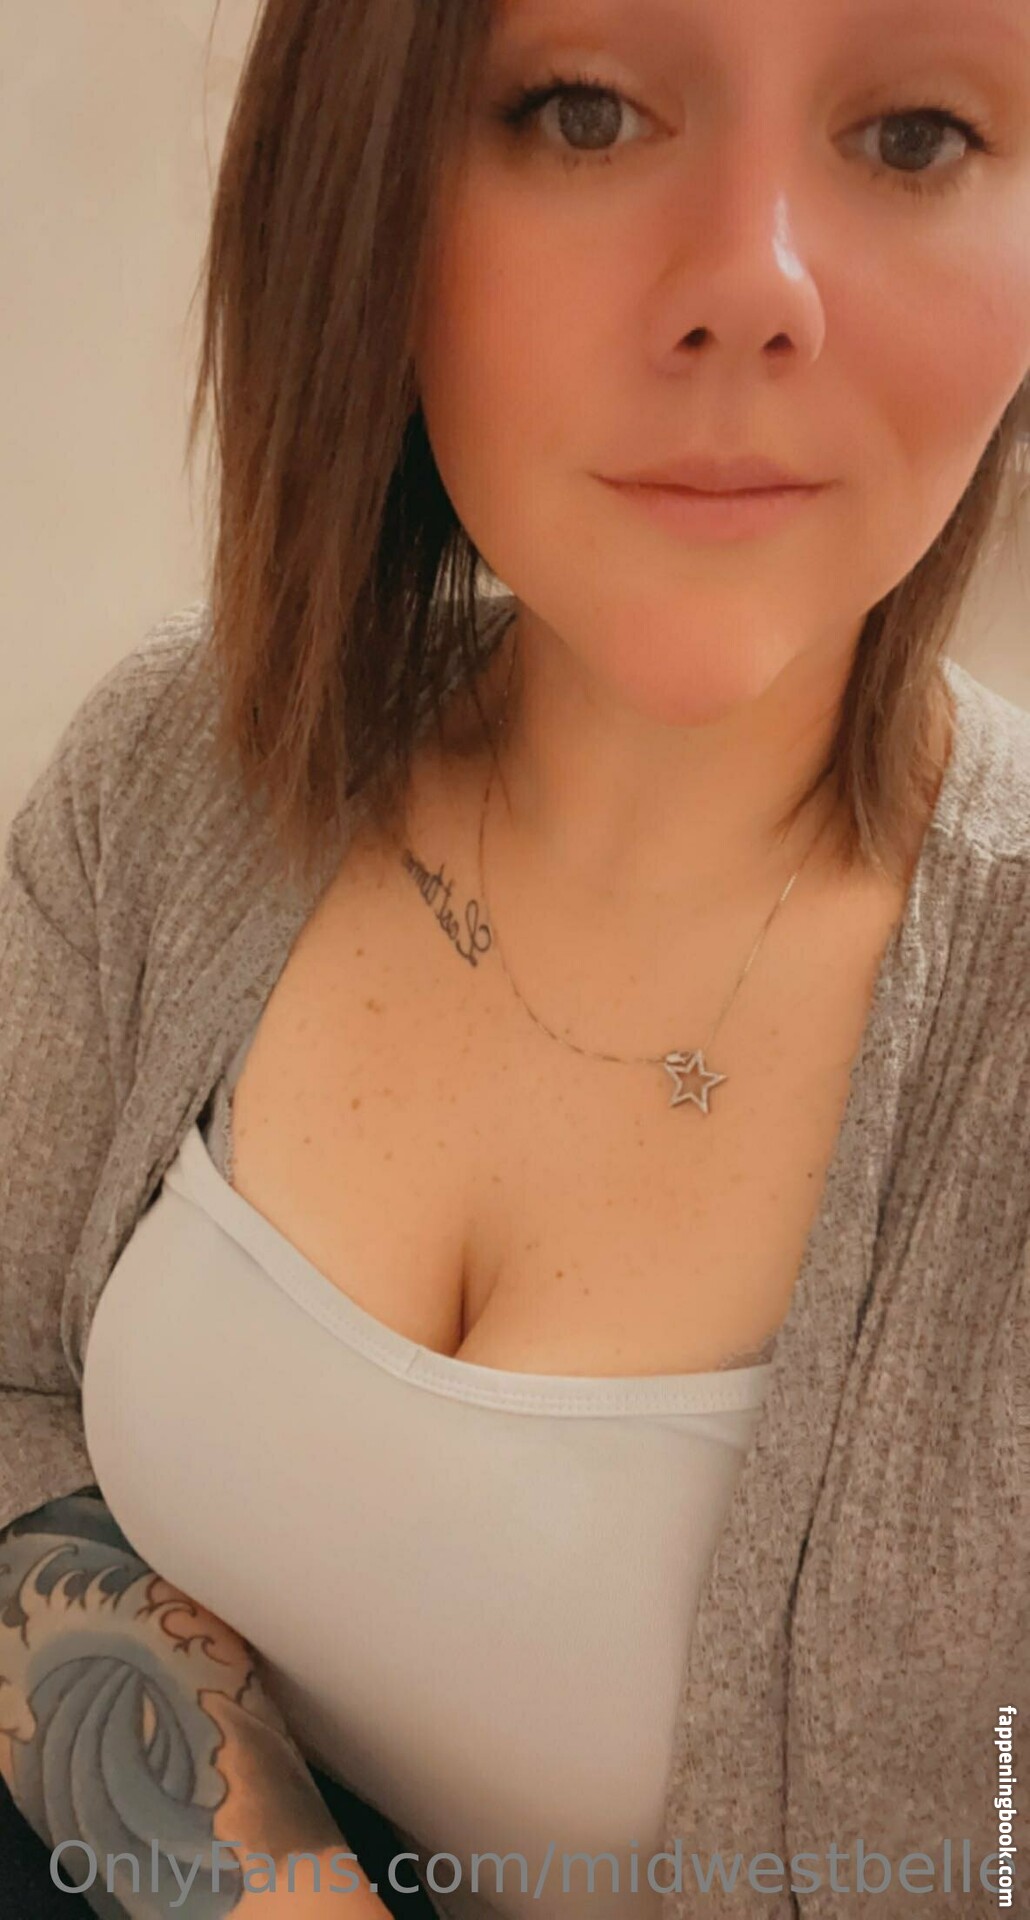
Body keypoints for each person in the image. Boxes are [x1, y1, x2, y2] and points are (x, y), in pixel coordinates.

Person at [1, 0, 1029, 1915]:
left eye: (911, 138)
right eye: (582, 111)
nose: (753, 286)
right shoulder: (173, 774)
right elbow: (10, 1388)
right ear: (359, 184)